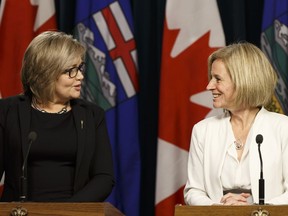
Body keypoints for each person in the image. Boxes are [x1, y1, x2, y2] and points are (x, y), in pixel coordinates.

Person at [0, 31, 114, 202]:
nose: (81, 77)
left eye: (80, 68)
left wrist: (65, 211)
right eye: (71, 71)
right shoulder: (8, 111)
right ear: (46, 73)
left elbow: (104, 177)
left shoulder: (92, 115)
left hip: (73, 213)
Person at [184, 42, 288, 205]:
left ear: (243, 81)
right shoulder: (202, 130)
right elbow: (194, 191)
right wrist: (221, 209)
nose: (209, 86)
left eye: (217, 79)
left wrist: (253, 211)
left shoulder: (283, 128)